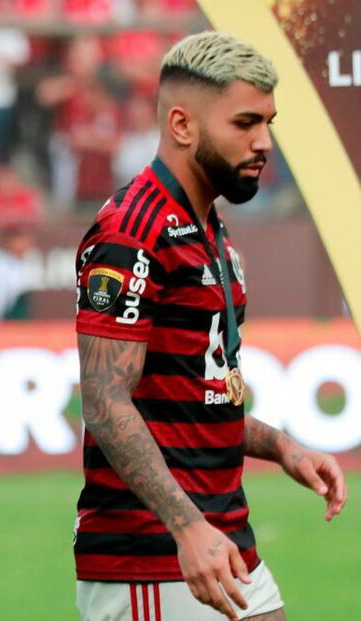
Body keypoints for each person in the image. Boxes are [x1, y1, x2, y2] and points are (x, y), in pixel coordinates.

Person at [73, 32, 347, 621]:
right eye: (245, 122)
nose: (263, 142)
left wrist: (281, 446)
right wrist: (185, 527)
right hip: (154, 553)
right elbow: (103, 398)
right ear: (182, 124)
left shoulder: (207, 229)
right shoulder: (132, 229)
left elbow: (193, 397)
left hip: (221, 536)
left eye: (268, 123)